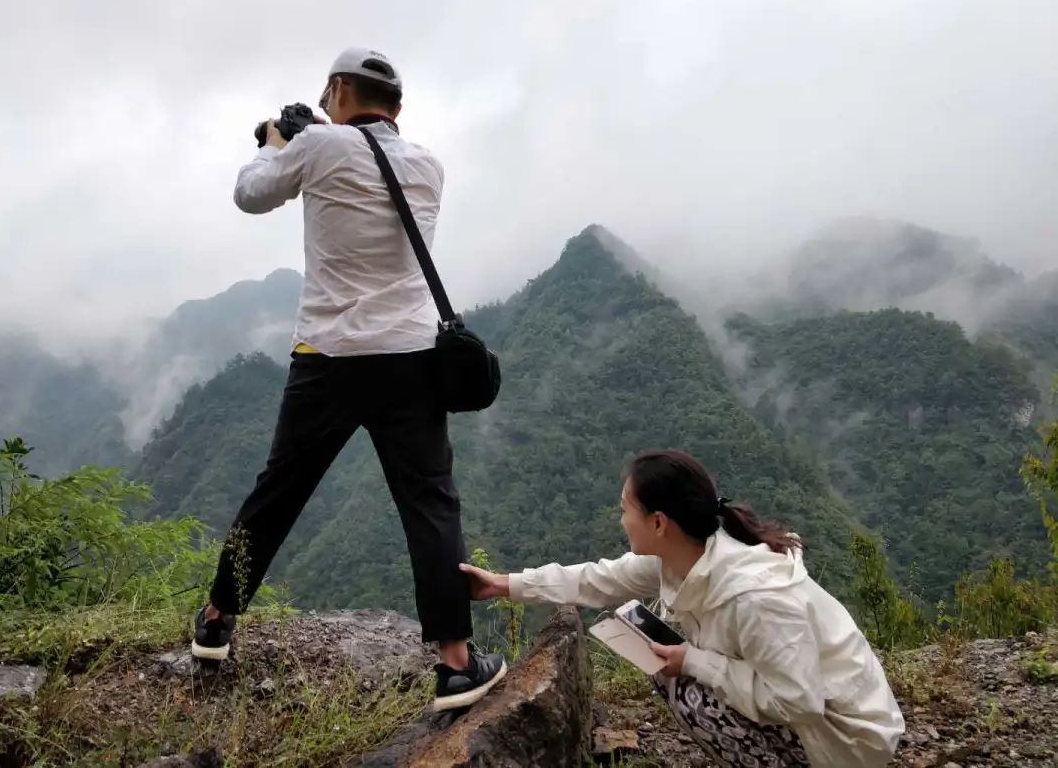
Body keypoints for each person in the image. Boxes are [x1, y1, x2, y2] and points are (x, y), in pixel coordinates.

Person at [191, 47, 506, 712]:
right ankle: (454, 663)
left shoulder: (319, 148)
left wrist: (278, 142)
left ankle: (217, 620)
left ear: (337, 90)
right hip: (411, 357)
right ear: (396, 106)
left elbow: (251, 195)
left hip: (327, 356)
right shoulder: (429, 165)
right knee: (429, 503)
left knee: (278, 491)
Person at [461, 449, 904, 767]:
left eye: (624, 510)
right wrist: (502, 585)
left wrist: (696, 662)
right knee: (663, 659)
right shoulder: (684, 555)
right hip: (815, 707)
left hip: (845, 740)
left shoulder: (755, 599)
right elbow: (597, 578)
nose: (619, 520)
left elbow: (800, 702)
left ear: (658, 523)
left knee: (688, 690)